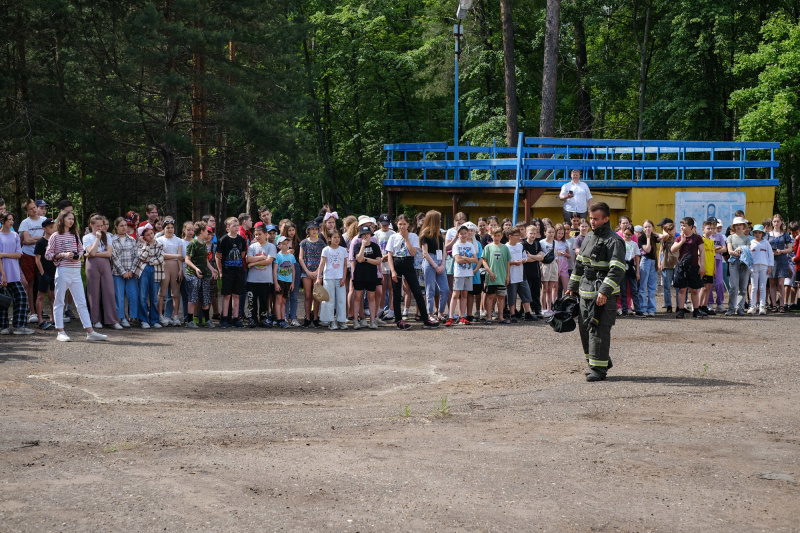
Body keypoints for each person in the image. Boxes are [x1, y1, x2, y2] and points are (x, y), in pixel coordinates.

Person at [566, 202, 625, 382]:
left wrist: (605, 291)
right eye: (591, 218)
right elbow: (579, 265)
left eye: (596, 219)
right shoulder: (589, 237)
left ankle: (599, 370)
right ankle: (597, 362)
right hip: (585, 292)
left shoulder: (614, 240)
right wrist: (571, 286)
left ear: (606, 219)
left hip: (602, 295)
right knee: (585, 329)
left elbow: (617, 269)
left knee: (599, 330)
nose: (592, 222)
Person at [44, 211, 107, 342]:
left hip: (76, 271)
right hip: (62, 271)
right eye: (69, 218)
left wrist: (77, 256)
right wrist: (63, 255)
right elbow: (48, 255)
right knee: (59, 301)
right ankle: (60, 331)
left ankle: (90, 332)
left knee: (81, 302)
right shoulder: (55, 236)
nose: (72, 221)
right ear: (62, 220)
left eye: (73, 219)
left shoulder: (75, 235)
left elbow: (80, 251)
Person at [386, 214, 439, 330]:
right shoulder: (393, 237)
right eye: (400, 224)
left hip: (409, 263)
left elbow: (413, 252)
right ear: (396, 224)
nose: (402, 226)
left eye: (404, 224)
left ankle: (425, 319)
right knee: (396, 293)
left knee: (417, 291)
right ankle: (399, 320)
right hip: (396, 263)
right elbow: (389, 255)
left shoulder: (413, 236)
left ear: (408, 225)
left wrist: (406, 238)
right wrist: (393, 271)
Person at [83, 214, 120, 329]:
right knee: (93, 292)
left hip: (105, 263)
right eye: (97, 226)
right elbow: (91, 251)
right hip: (92, 265)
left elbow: (108, 253)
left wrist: (93, 254)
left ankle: (111, 320)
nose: (99, 228)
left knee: (108, 291)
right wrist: (97, 239)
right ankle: (95, 319)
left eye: (101, 226)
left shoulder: (108, 236)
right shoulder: (87, 237)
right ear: (91, 225)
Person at [0, 212, 34, 335]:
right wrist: (3, 274)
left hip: (13, 272)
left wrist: (4, 254)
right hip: (2, 272)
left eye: (12, 219)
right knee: (3, 300)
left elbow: (18, 254)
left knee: (21, 295)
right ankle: (3, 327)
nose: (11, 222)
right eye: (8, 219)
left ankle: (20, 326)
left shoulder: (14, 235)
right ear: (2, 221)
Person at [184, 221, 217, 328]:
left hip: (204, 274)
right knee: (193, 297)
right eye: (207, 231)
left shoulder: (203, 244)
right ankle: (189, 321)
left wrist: (212, 269)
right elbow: (187, 260)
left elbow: (205, 260)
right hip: (193, 275)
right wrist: (196, 269)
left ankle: (207, 320)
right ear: (202, 231)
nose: (208, 233)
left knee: (205, 296)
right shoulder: (193, 243)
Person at [215, 217, 247, 328]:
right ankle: (224, 318)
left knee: (236, 295)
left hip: (238, 271)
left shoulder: (241, 239)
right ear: (228, 228)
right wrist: (220, 271)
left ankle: (235, 318)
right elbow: (218, 256)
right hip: (227, 271)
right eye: (234, 225)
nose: (236, 227)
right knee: (227, 295)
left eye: (238, 225)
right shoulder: (223, 240)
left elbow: (242, 254)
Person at [672, 217, 706, 319]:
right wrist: (681, 242)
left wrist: (702, 266)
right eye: (681, 225)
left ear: (691, 227)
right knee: (682, 289)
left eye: (684, 225)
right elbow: (672, 249)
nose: (682, 227)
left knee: (694, 290)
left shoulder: (697, 237)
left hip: (694, 266)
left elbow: (702, 252)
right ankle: (681, 310)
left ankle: (696, 310)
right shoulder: (679, 238)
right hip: (682, 267)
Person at [419, 210, 449, 322]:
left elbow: (444, 250)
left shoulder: (439, 235)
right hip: (429, 262)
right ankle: (430, 313)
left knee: (445, 289)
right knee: (430, 289)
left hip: (440, 261)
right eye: (439, 219)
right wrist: (436, 266)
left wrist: (442, 265)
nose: (440, 221)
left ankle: (440, 312)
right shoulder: (424, 235)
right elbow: (425, 253)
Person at [18, 199, 45, 323]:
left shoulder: (44, 221)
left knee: (43, 282)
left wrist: (34, 238)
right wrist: (41, 239)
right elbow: (26, 241)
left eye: (34, 207)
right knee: (30, 283)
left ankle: (41, 310)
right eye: (30, 209)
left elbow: (50, 236)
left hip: (42, 254)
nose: (34, 210)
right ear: (27, 211)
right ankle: (32, 311)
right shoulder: (25, 223)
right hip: (28, 254)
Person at [154, 218, 184, 327]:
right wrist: (176, 256)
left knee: (175, 293)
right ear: (164, 228)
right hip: (164, 266)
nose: (170, 230)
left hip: (175, 266)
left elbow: (180, 256)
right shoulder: (160, 240)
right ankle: (160, 315)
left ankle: (175, 316)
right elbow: (161, 255)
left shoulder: (178, 240)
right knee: (162, 292)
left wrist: (181, 269)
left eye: (172, 228)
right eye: (168, 228)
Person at [245, 224, 276, 327]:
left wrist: (254, 263)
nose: (257, 236)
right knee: (251, 301)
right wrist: (262, 257)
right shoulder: (252, 246)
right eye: (256, 234)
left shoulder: (271, 247)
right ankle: (252, 318)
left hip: (265, 279)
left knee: (264, 301)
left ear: (266, 234)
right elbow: (248, 259)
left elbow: (269, 261)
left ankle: (263, 318)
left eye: (260, 234)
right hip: (252, 279)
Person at [353, 225, 383, 329]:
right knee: (357, 297)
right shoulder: (357, 245)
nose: (366, 236)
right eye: (363, 234)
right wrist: (362, 246)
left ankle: (372, 320)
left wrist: (366, 259)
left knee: (371, 297)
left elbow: (378, 261)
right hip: (359, 275)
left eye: (367, 234)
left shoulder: (375, 246)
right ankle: (356, 321)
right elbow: (358, 259)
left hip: (371, 275)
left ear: (371, 234)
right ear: (360, 235)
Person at [317, 230, 348, 330]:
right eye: (334, 237)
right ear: (329, 238)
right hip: (328, 278)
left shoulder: (343, 250)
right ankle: (331, 321)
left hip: (340, 278)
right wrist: (318, 278)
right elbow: (321, 264)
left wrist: (344, 277)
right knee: (329, 300)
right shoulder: (326, 250)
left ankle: (341, 321)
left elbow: (345, 265)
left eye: (338, 237)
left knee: (342, 300)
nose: (337, 239)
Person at [135, 224, 165, 329]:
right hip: (144, 271)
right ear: (143, 237)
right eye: (147, 235)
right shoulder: (140, 245)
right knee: (142, 296)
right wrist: (146, 245)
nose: (151, 236)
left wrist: (150, 261)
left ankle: (154, 320)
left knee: (154, 297)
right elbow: (141, 257)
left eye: (152, 233)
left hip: (156, 271)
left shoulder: (160, 244)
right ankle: (144, 320)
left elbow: (161, 258)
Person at [448, 223, 478, 326]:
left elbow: (476, 259)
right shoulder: (456, 245)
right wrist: (468, 260)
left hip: (468, 273)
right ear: (458, 234)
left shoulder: (470, 245)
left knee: (465, 295)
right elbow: (457, 260)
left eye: (465, 233)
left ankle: (462, 317)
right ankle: (451, 317)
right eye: (462, 233)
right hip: (459, 274)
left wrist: (464, 258)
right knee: (455, 295)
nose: (464, 235)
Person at [110, 217, 138, 327]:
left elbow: (136, 256)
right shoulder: (112, 241)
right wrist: (123, 272)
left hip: (131, 273)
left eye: (125, 225)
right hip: (117, 273)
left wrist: (131, 271)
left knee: (133, 296)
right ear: (116, 227)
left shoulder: (132, 240)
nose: (124, 227)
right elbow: (114, 258)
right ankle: (120, 318)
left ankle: (132, 317)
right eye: (121, 225)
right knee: (119, 297)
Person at [481, 226, 511, 324]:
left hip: (502, 277)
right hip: (491, 277)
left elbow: (508, 262)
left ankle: (501, 317)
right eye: (495, 236)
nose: (497, 238)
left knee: (501, 297)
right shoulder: (488, 247)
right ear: (491, 236)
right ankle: (489, 317)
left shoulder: (505, 248)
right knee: (490, 296)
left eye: (498, 236)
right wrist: (489, 271)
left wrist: (508, 276)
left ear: (502, 236)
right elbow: (484, 261)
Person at [299, 221, 325, 328]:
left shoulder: (321, 243)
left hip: (318, 272)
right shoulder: (304, 243)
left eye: (316, 229)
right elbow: (301, 258)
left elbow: (323, 259)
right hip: (306, 272)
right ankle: (307, 317)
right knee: (308, 296)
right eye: (312, 229)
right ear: (308, 230)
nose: (314, 231)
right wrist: (307, 271)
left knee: (316, 296)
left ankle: (315, 317)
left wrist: (317, 272)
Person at [505, 226, 533, 323]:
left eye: (519, 235)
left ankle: (527, 313)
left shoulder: (520, 246)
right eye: (516, 235)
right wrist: (513, 263)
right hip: (511, 276)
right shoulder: (506, 247)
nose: (519, 237)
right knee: (511, 296)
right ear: (510, 236)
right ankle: (512, 314)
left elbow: (525, 256)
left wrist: (524, 259)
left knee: (526, 294)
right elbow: (504, 262)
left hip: (521, 275)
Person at [726, 216, 751, 316]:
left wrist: (741, 249)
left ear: (743, 226)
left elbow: (748, 251)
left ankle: (740, 308)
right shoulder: (730, 237)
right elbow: (729, 251)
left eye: (740, 224)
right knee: (733, 287)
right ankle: (731, 308)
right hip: (734, 263)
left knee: (743, 287)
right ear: (734, 226)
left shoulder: (747, 238)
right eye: (736, 225)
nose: (738, 226)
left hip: (745, 264)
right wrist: (737, 252)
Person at [34, 217, 56, 330]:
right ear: (44, 228)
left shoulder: (55, 241)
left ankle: (53, 318)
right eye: (51, 227)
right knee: (41, 296)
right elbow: (37, 259)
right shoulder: (41, 242)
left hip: (54, 272)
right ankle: (40, 320)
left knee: (53, 296)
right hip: (44, 273)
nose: (53, 229)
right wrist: (42, 273)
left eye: (54, 227)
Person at [767, 214, 793, 312]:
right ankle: (774, 305)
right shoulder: (767, 234)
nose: (776, 223)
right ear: (772, 223)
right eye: (774, 221)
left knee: (781, 284)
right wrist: (772, 252)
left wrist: (781, 251)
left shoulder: (785, 234)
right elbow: (765, 248)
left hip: (782, 260)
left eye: (778, 221)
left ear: (781, 222)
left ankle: (781, 305)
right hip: (771, 260)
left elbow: (790, 249)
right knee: (772, 283)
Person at [748, 224, 774, 315]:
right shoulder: (751, 243)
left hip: (764, 267)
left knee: (762, 287)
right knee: (754, 287)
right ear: (753, 233)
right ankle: (752, 306)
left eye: (759, 232)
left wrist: (770, 267)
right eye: (756, 232)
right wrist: (749, 266)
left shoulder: (766, 243)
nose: (757, 234)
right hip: (754, 266)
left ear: (762, 233)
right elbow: (749, 256)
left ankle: (762, 306)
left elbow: (770, 255)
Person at [280, 222, 301, 326]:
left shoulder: (298, 242)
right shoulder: (282, 242)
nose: (292, 232)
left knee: (294, 294)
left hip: (295, 267)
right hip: (284, 269)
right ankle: (285, 316)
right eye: (289, 230)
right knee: (285, 295)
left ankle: (293, 317)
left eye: (293, 230)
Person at [637, 220, 659, 317]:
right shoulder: (641, 238)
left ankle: (651, 309)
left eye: (649, 226)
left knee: (652, 286)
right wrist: (649, 238)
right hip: (645, 261)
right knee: (643, 286)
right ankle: (643, 308)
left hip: (653, 262)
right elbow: (647, 249)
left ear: (652, 227)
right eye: (645, 227)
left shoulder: (654, 236)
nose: (647, 229)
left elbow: (665, 236)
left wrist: (653, 233)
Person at [374, 214, 395, 318]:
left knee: (391, 287)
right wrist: (380, 257)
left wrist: (387, 255)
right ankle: (381, 309)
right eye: (383, 224)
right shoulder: (376, 234)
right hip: (380, 263)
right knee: (382, 287)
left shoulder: (393, 234)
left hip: (390, 262)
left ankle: (391, 309)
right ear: (379, 223)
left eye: (387, 224)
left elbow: (395, 248)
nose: (385, 226)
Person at [522, 224, 543, 319]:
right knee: (526, 292)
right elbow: (525, 259)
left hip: (536, 272)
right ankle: (524, 311)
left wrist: (532, 256)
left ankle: (537, 310)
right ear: (526, 233)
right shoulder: (523, 244)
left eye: (535, 233)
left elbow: (542, 257)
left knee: (536, 292)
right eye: (531, 233)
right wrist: (536, 257)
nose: (533, 235)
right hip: (526, 272)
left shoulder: (537, 243)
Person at [274, 235, 296, 329]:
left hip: (288, 280)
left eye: (287, 243)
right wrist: (276, 283)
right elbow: (274, 270)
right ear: (279, 245)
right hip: (280, 280)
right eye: (283, 244)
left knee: (284, 300)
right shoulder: (277, 256)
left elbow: (293, 270)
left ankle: (283, 319)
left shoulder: (291, 257)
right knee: (278, 300)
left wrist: (293, 282)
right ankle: (279, 320)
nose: (286, 245)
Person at [620, 227, 641, 316]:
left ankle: (638, 309)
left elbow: (637, 257)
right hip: (622, 267)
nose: (627, 236)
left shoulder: (634, 244)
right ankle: (624, 309)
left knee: (634, 289)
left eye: (629, 235)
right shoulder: (620, 243)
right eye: (626, 234)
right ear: (623, 233)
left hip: (631, 267)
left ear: (632, 235)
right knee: (623, 290)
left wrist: (637, 272)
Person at [698, 220, 718, 316]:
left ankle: (704, 306)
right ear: (703, 229)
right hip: (704, 268)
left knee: (709, 288)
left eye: (712, 228)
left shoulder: (711, 241)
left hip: (710, 268)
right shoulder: (701, 240)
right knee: (703, 288)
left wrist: (715, 269)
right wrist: (701, 267)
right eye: (708, 228)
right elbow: (698, 255)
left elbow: (714, 256)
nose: (710, 230)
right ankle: (698, 307)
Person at [708, 220, 727, 313]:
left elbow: (724, 249)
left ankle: (720, 303)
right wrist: (716, 248)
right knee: (709, 283)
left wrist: (713, 249)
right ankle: (710, 303)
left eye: (714, 226)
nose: (713, 228)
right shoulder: (706, 236)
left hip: (718, 261)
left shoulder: (720, 236)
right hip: (708, 261)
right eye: (710, 226)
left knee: (719, 283)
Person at [659, 222, 678, 313]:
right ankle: (668, 304)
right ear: (669, 231)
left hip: (676, 264)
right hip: (666, 264)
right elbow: (665, 235)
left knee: (678, 286)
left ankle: (679, 305)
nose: (675, 231)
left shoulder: (677, 239)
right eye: (674, 229)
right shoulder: (664, 239)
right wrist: (666, 230)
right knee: (667, 286)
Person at [539, 225, 557, 316]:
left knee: (550, 288)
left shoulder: (555, 242)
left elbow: (556, 256)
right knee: (544, 289)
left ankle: (549, 308)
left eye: (553, 232)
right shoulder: (541, 242)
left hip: (553, 265)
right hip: (545, 265)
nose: (551, 234)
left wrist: (558, 269)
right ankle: (543, 308)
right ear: (545, 232)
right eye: (549, 232)